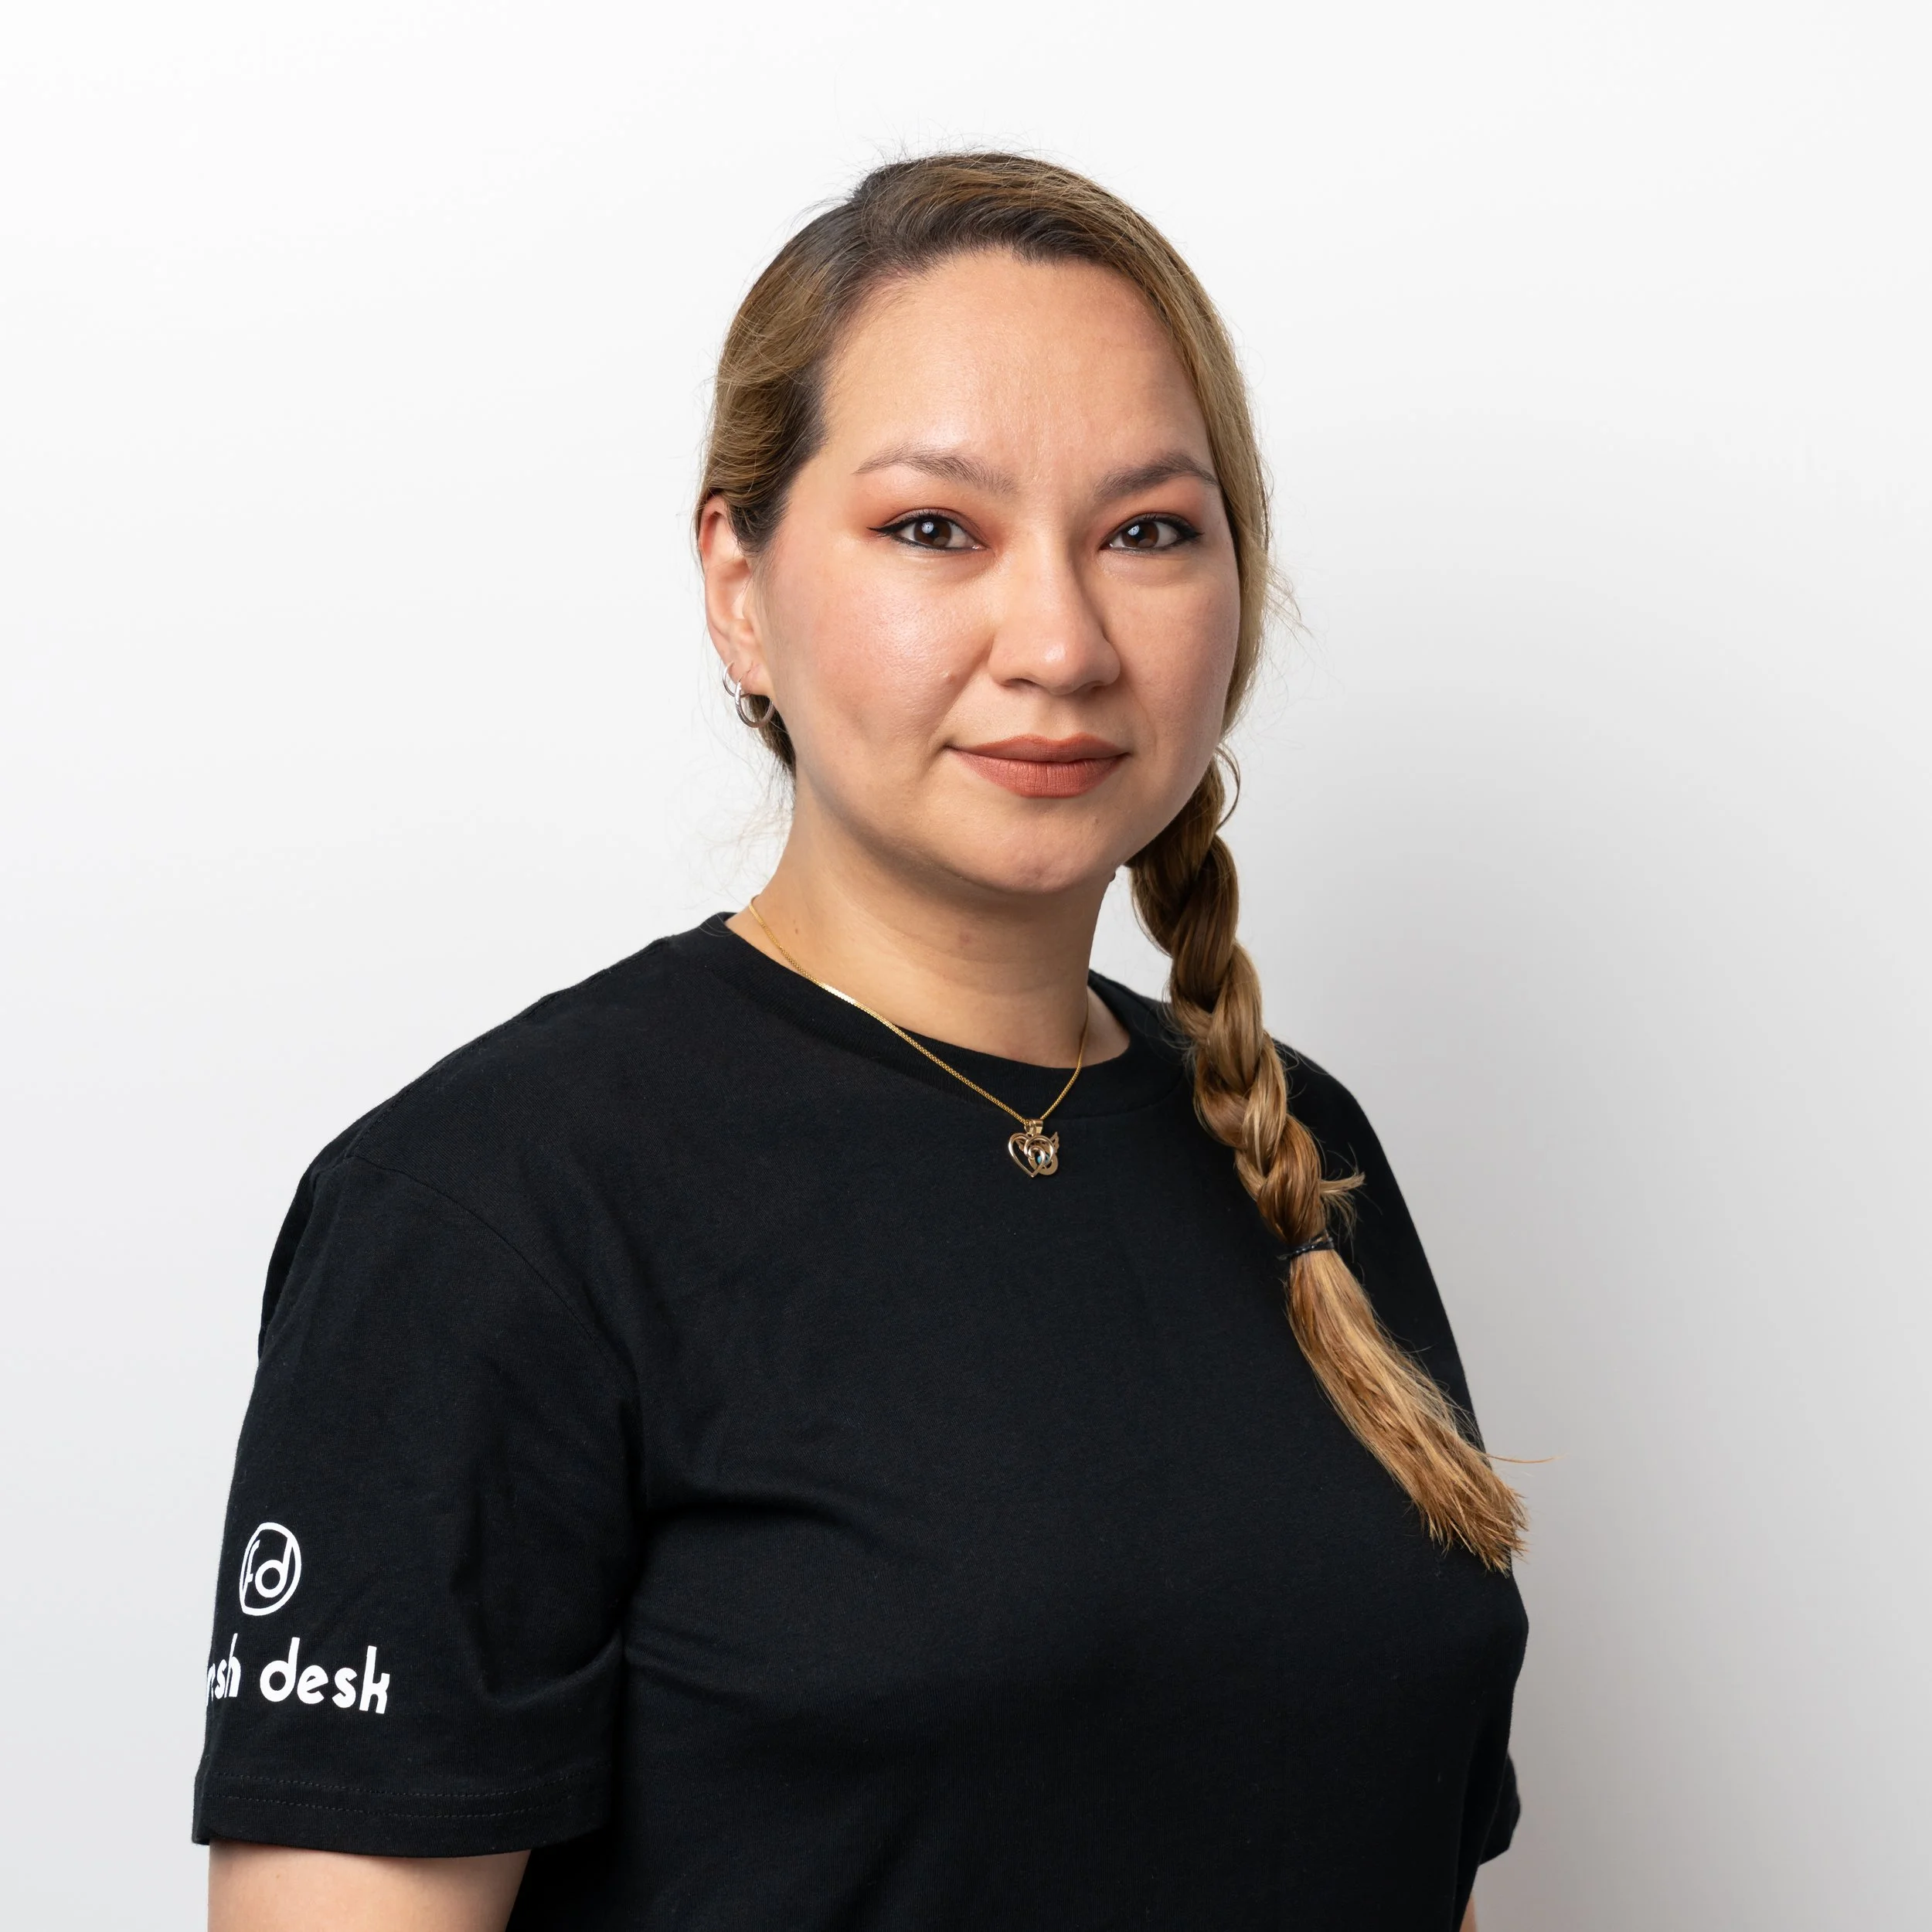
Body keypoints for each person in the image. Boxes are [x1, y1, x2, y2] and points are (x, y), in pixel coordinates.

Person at [198, 153, 1527, 1932]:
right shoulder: (486, 1209)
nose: (1058, 640)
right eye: (932, 529)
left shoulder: (1299, 1150)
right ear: (737, 585)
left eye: (1146, 530)